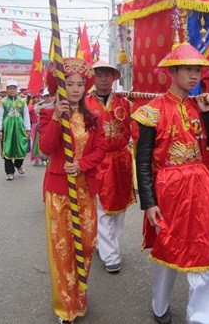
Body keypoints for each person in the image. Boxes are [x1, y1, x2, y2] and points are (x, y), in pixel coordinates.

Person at [132, 42, 209, 324]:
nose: (195, 75)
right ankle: (159, 305)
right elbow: (144, 160)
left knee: (205, 247)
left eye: (198, 69)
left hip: (200, 186)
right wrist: (148, 202)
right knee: (168, 247)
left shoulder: (201, 106)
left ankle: (203, 318)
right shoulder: (153, 110)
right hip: (169, 188)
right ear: (172, 72)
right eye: (188, 68)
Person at [40, 57, 106, 324]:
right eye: (70, 84)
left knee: (87, 244)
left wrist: (81, 164)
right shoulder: (47, 114)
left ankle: (80, 294)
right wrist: (57, 117)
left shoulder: (93, 118)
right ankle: (66, 305)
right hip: (58, 190)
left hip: (84, 188)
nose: (76, 89)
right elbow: (45, 148)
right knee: (63, 246)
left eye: (80, 84)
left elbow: (101, 150)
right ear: (60, 86)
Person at [85, 59, 135, 273]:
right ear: (92, 79)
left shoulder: (126, 102)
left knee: (119, 208)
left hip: (122, 161)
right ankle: (111, 254)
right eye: (99, 75)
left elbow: (137, 130)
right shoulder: (84, 104)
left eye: (107, 75)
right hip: (98, 162)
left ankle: (105, 242)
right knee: (102, 207)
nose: (103, 79)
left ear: (114, 78)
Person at [0, 80, 31, 181]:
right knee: (8, 149)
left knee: (22, 148)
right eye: (10, 88)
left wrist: (28, 129)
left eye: (14, 88)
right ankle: (9, 172)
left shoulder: (22, 102)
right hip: (7, 130)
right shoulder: (2, 102)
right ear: (7, 90)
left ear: (16, 90)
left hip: (20, 129)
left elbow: (26, 116)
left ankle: (18, 165)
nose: (12, 90)